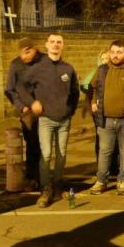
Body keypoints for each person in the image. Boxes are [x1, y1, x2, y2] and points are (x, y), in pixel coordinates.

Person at [19, 33, 80, 207]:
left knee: (61, 155)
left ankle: (58, 186)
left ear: (63, 45)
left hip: (64, 120)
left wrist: (71, 110)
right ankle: (45, 190)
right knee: (45, 155)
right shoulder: (37, 68)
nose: (55, 45)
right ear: (46, 45)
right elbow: (21, 87)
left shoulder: (68, 69)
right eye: (52, 42)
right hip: (46, 119)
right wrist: (32, 102)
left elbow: (75, 91)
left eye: (59, 42)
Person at [89, 40, 124, 195]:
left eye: (119, 52)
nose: (115, 56)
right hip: (105, 119)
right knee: (104, 151)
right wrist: (92, 102)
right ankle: (101, 181)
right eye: (113, 52)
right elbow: (93, 87)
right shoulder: (102, 69)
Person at [5, 37, 44, 190]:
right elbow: (9, 89)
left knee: (46, 144)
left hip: (47, 109)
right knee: (32, 144)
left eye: (27, 52)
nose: (24, 56)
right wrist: (22, 107)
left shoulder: (45, 61)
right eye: (21, 53)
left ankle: (45, 175)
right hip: (28, 111)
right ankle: (33, 177)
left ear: (35, 49)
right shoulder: (16, 65)